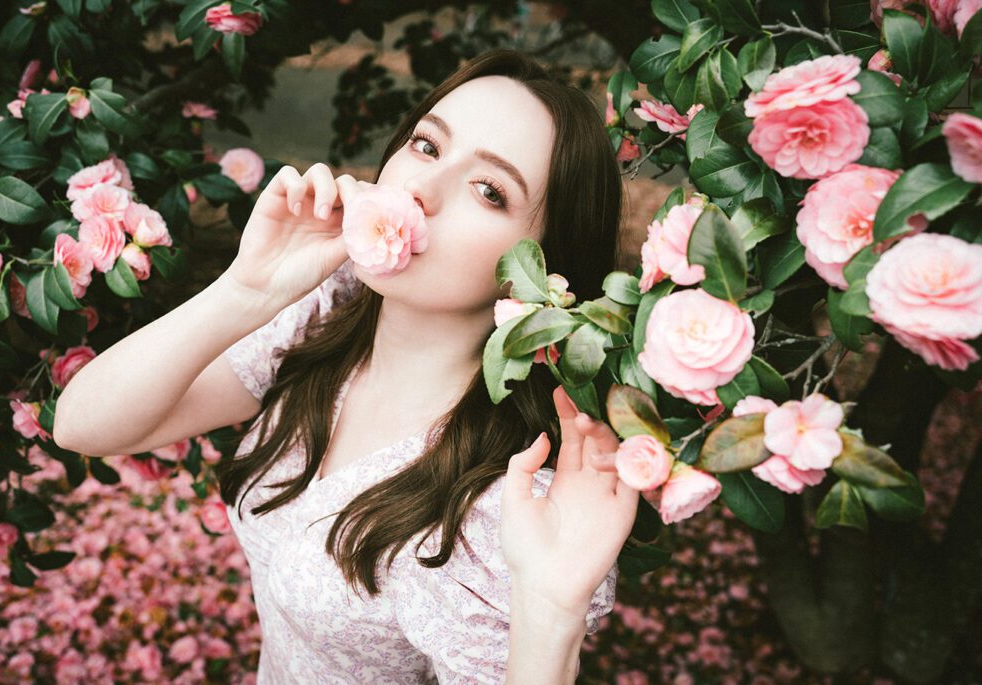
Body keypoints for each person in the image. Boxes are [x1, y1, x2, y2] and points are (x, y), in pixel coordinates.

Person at [54, 48, 641, 684]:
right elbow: (84, 426)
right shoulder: (327, 313)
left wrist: (550, 614)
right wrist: (246, 292)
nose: (421, 190)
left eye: (489, 190)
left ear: (541, 269)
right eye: (426, 145)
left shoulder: (500, 506)